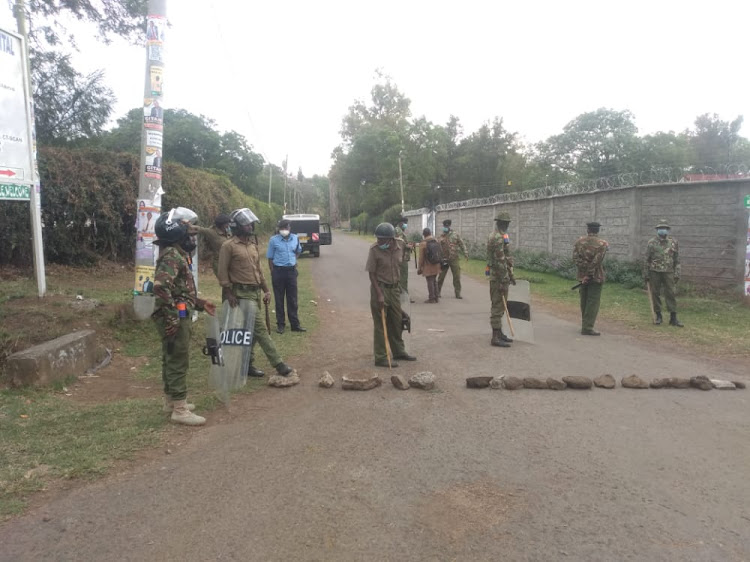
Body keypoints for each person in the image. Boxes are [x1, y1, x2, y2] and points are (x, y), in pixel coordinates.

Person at [152, 207, 216, 426]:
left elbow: (178, 289)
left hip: (178, 312)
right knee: (178, 359)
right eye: (189, 234)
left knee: (171, 357)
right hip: (175, 316)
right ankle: (179, 409)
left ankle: (171, 401)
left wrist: (199, 303)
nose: (193, 238)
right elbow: (160, 287)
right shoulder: (172, 255)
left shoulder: (175, 254)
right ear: (177, 234)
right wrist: (172, 318)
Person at [218, 208, 294, 377]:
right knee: (260, 329)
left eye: (251, 223)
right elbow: (222, 272)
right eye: (246, 224)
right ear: (237, 226)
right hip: (240, 294)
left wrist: (266, 290)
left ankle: (247, 365)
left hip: (255, 293)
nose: (250, 226)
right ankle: (279, 364)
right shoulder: (228, 246)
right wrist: (228, 293)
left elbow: (258, 271)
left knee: (250, 332)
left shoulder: (252, 246)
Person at [365, 222, 417, 367]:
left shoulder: (400, 245)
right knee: (381, 323)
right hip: (379, 289)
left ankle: (399, 351)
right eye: (378, 239)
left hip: (395, 290)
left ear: (391, 239)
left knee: (397, 321)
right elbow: (372, 274)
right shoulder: (375, 250)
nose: (379, 242)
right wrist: (380, 295)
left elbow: (404, 260)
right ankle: (381, 357)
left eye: (382, 239)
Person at [267, 218, 305, 334]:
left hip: (291, 272)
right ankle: (281, 325)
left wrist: (293, 260)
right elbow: (270, 258)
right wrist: (273, 272)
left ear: (290, 228)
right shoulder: (273, 240)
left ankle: (295, 324)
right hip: (278, 271)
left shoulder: (295, 238)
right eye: (282, 228)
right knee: (279, 299)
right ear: (279, 229)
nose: (285, 230)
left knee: (292, 299)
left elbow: (298, 251)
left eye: (286, 228)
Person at [644, 220, 683, 327]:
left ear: (668, 230)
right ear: (657, 230)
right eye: (660, 228)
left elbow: (677, 259)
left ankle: (673, 318)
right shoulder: (651, 242)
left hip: (669, 271)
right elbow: (647, 259)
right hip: (654, 272)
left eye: (664, 228)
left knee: (671, 293)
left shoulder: (673, 242)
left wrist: (677, 273)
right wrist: (646, 273)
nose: (662, 230)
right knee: (655, 293)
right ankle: (658, 316)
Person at [573, 221, 609, 336]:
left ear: (588, 230)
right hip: (595, 276)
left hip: (582, 276)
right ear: (598, 230)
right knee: (592, 302)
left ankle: (585, 324)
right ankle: (587, 327)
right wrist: (590, 274)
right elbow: (597, 261)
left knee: (584, 300)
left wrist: (584, 272)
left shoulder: (579, 242)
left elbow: (575, 258)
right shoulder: (602, 244)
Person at [487, 212, 516, 347]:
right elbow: (500, 260)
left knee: (500, 306)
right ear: (502, 223)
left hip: (500, 275)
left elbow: (506, 257)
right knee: (498, 306)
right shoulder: (498, 238)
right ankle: (495, 337)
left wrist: (510, 275)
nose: (508, 225)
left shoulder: (499, 235)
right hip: (499, 277)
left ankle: (499, 333)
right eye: (506, 223)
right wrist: (504, 279)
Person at [437, 219, 468, 299]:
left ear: (449, 226)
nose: (445, 227)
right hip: (444, 259)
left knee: (457, 277)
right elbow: (437, 247)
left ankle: (458, 293)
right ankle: (437, 292)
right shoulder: (441, 236)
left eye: (447, 226)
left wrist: (465, 253)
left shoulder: (455, 235)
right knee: (441, 277)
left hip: (454, 258)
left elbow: (461, 244)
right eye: (444, 226)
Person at [417, 228, 441, 303]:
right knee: (434, 280)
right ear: (430, 233)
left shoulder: (423, 243)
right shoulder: (436, 240)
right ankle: (436, 297)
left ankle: (431, 298)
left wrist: (419, 268)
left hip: (428, 265)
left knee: (430, 281)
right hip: (437, 264)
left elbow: (421, 258)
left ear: (424, 235)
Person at [394, 216, 414, 302]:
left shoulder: (398, 230)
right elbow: (400, 243)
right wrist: (408, 246)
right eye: (405, 223)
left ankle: (401, 295)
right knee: (403, 278)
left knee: (401, 278)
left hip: (401, 257)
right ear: (401, 223)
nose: (406, 225)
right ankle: (404, 297)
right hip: (402, 257)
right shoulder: (398, 231)